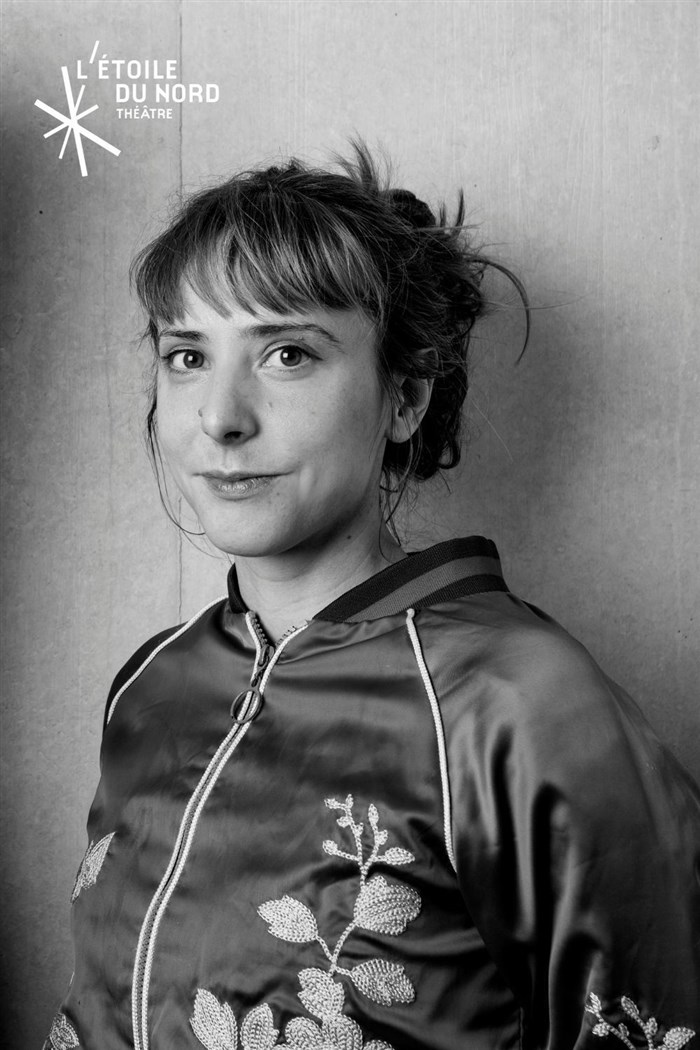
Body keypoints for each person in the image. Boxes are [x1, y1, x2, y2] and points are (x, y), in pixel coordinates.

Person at [44, 145, 700, 1050]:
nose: (220, 417)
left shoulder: (517, 703)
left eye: (287, 353)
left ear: (406, 399)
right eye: (187, 355)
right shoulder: (153, 684)